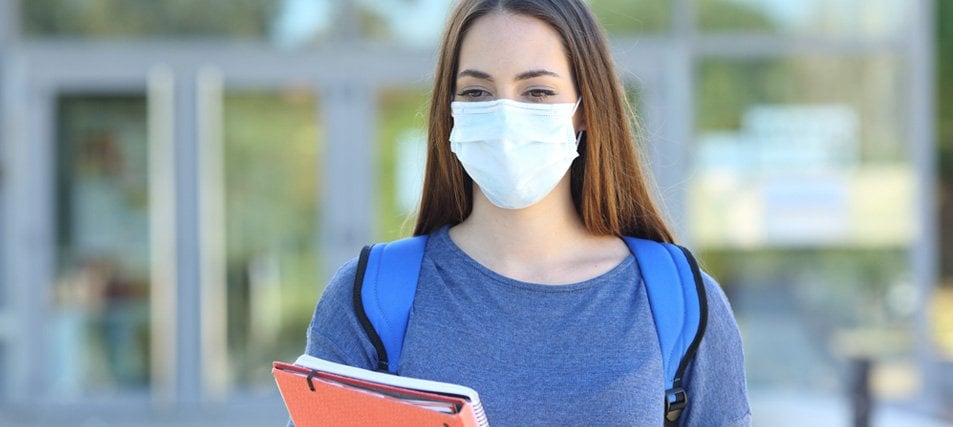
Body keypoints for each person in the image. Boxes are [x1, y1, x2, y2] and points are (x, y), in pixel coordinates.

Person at [301, 0, 750, 425]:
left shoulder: (681, 301)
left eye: (537, 91)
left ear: (585, 110)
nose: (505, 117)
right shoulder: (369, 299)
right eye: (477, 91)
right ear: (450, 112)